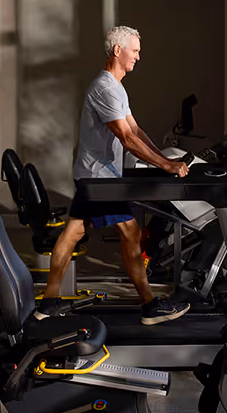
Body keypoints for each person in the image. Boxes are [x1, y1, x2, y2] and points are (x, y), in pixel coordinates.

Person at [39, 25, 191, 325]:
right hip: (99, 180)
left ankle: (49, 303)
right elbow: (125, 138)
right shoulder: (105, 88)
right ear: (118, 51)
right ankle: (149, 306)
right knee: (131, 232)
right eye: (135, 50)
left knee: (73, 233)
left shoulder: (115, 87)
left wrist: (163, 158)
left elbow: (136, 130)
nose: (138, 56)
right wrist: (165, 166)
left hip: (94, 176)